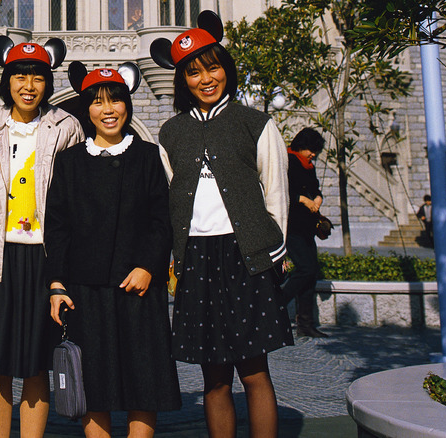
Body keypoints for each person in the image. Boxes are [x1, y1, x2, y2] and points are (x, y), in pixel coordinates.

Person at [151, 10, 293, 437]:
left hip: (246, 254)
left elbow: (276, 193)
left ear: (226, 69)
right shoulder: (170, 133)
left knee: (254, 372)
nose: (205, 79)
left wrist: (275, 250)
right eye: (193, 72)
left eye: (213, 67)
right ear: (182, 80)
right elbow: (169, 200)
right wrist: (174, 258)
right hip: (197, 258)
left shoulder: (256, 124)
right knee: (214, 379)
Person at [46, 62, 182, 437]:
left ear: (128, 103)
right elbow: (57, 227)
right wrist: (57, 284)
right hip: (85, 291)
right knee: (94, 385)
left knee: (144, 383)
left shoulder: (148, 156)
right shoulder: (70, 161)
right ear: (86, 109)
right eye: (98, 102)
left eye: (116, 100)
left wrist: (148, 266)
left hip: (138, 287)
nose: (108, 110)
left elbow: (161, 218)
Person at [0, 36, 84, 438]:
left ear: (47, 83)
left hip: (45, 257)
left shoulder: (66, 126)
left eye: (37, 77)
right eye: (20, 76)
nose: (28, 86)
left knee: (37, 361)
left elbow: (75, 197)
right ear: (7, 82)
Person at [282, 128, 328, 338]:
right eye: (311, 150)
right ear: (301, 147)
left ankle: (306, 324)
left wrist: (317, 198)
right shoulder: (288, 161)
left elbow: (315, 188)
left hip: (307, 226)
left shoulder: (308, 166)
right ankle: (276, 304)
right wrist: (303, 199)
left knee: (311, 274)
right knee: (305, 269)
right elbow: (282, 191)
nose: (313, 155)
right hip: (292, 225)